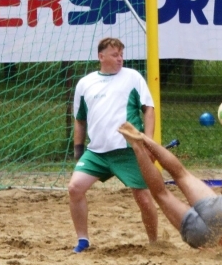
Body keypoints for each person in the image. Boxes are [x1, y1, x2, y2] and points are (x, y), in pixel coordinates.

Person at [118, 122, 222, 258]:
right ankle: (137, 146)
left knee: (181, 174)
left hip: (219, 214)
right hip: (202, 238)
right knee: (160, 194)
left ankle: (142, 138)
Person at [67, 37, 158, 253]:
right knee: (74, 188)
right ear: (101, 56)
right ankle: (83, 240)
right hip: (97, 152)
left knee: (144, 198)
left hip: (128, 151)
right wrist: (78, 149)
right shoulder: (85, 83)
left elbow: (149, 109)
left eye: (121, 55)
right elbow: (80, 120)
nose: (120, 59)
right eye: (115, 55)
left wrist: (148, 142)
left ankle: (155, 243)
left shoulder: (133, 77)